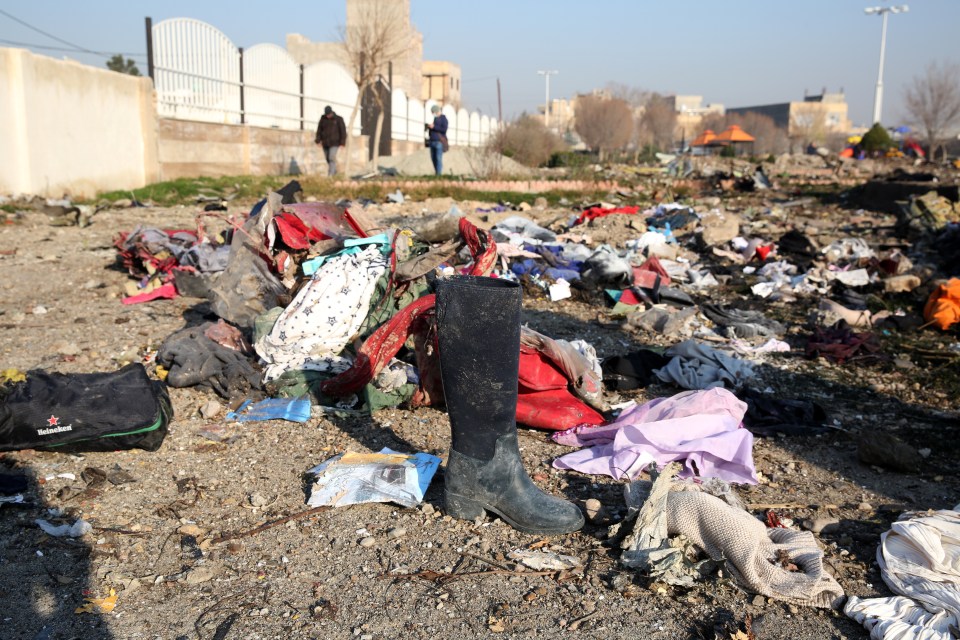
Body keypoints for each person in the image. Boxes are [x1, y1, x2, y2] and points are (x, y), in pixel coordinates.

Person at [315, 106, 346, 177]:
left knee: (331, 157)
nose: (328, 116)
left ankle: (330, 175)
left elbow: (343, 131)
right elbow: (319, 130)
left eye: (329, 114)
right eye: (327, 115)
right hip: (325, 143)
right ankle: (334, 171)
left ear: (331, 112)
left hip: (335, 143)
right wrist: (318, 140)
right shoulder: (323, 119)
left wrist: (342, 143)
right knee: (327, 158)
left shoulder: (338, 119)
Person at [425, 104, 448, 176]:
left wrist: (434, 127)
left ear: (436, 111)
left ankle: (438, 174)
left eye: (433, 112)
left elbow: (444, 129)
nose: (433, 114)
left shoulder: (443, 119)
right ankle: (436, 172)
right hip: (432, 141)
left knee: (438, 159)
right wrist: (429, 127)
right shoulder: (435, 119)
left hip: (439, 142)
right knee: (433, 158)